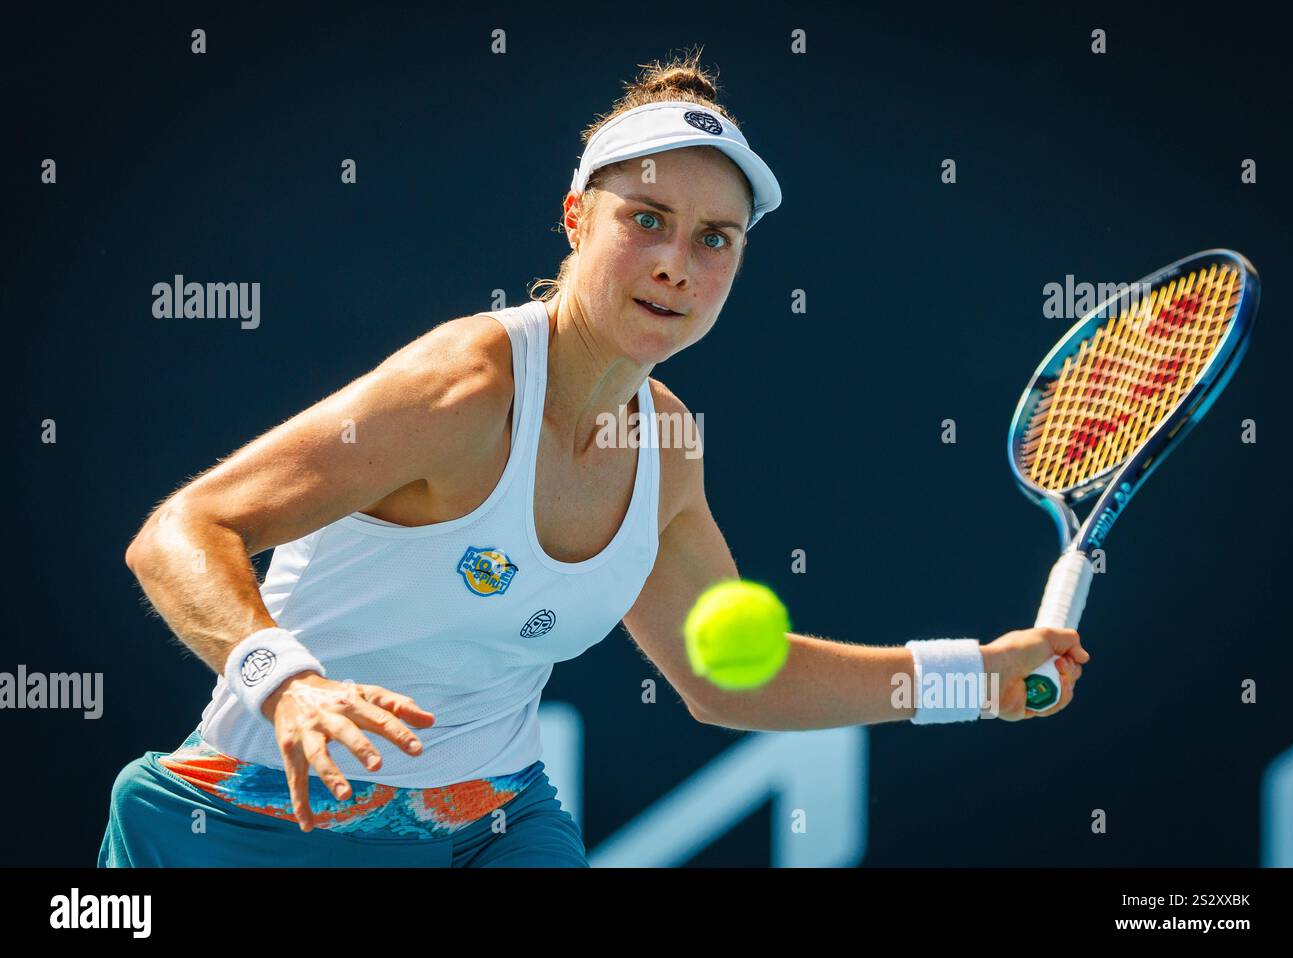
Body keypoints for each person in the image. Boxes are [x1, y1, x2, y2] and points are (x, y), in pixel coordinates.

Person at [100, 49, 1089, 868]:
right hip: (258, 816)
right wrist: (290, 683)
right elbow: (179, 532)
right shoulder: (466, 384)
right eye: (646, 220)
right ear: (577, 220)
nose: (676, 265)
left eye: (715, 240)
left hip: (491, 822)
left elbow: (727, 680)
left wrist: (976, 677)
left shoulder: (665, 444)